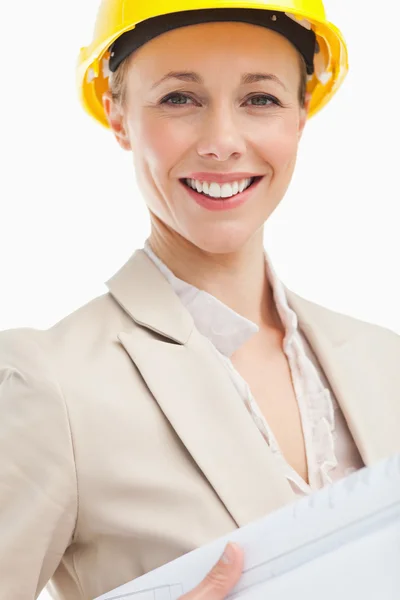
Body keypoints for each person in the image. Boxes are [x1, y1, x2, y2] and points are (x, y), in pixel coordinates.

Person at [0, 0, 399, 598]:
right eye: (179, 99)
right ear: (118, 117)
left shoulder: (384, 361)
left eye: (260, 98)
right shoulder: (49, 384)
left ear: (301, 113)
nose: (222, 142)